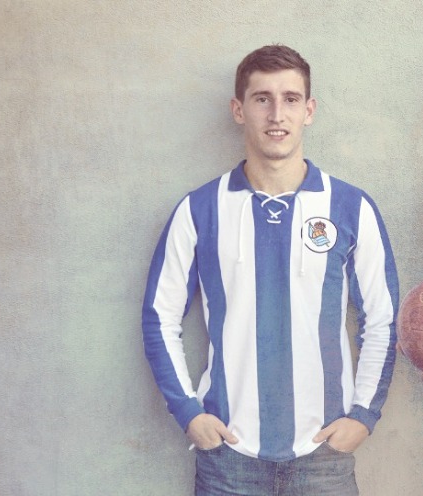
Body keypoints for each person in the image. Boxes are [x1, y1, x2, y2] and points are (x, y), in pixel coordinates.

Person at [142, 44, 398, 495]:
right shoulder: (199, 209)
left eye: (290, 99)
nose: (277, 114)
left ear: (309, 111)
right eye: (262, 99)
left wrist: (363, 415)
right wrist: (188, 412)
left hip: (324, 458)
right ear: (238, 110)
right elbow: (159, 317)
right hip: (227, 459)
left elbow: (382, 320)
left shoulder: (351, 207)